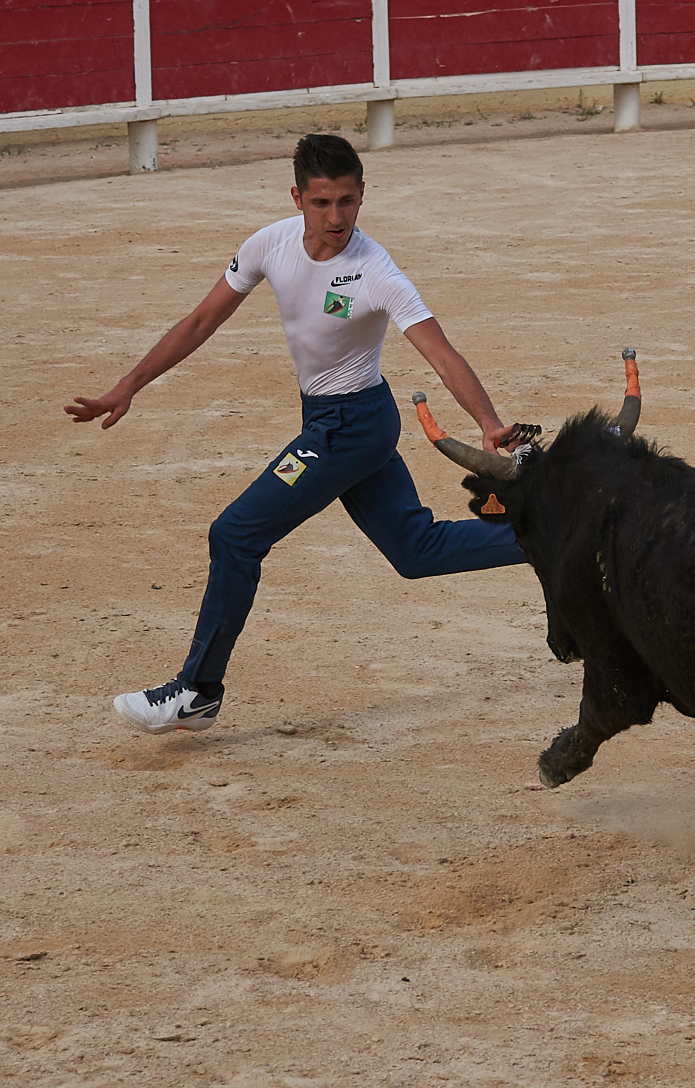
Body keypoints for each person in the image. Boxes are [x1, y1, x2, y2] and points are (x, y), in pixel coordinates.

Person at [65, 134, 527, 734]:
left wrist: (488, 423)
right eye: (322, 203)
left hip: (350, 428)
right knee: (416, 552)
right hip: (332, 421)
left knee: (234, 535)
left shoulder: (376, 271)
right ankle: (557, 531)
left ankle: (197, 691)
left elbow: (439, 351)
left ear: (362, 197)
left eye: (348, 202)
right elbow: (203, 319)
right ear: (298, 198)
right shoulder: (269, 244)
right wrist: (130, 384)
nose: (336, 218)